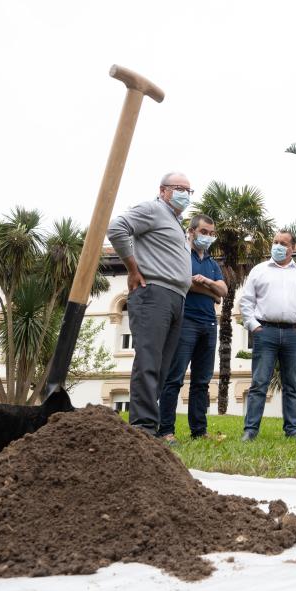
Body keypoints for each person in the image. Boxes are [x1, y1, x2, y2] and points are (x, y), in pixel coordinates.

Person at [107, 172, 193, 436]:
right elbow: (116, 228)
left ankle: (148, 426)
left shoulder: (176, 222)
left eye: (189, 191)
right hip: (153, 293)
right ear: (163, 190)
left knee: (163, 367)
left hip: (176, 297)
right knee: (149, 360)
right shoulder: (153, 209)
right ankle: (142, 428)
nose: (185, 194)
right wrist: (132, 269)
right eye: (179, 188)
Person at [239, 230, 296, 441]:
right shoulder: (259, 270)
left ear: (292, 248)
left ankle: (292, 430)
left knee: (292, 384)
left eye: (283, 243)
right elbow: (246, 301)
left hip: (294, 333)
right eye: (275, 242)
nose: (277, 246)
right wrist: (254, 326)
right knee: (259, 383)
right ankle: (251, 430)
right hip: (266, 332)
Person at [157, 214, 228, 443]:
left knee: (201, 382)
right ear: (191, 231)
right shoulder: (181, 255)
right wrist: (212, 293)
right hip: (185, 322)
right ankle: (165, 430)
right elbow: (184, 283)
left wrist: (206, 283)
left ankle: (199, 431)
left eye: (211, 233)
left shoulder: (211, 263)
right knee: (174, 378)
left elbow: (224, 291)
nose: (208, 237)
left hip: (209, 325)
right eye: (204, 232)